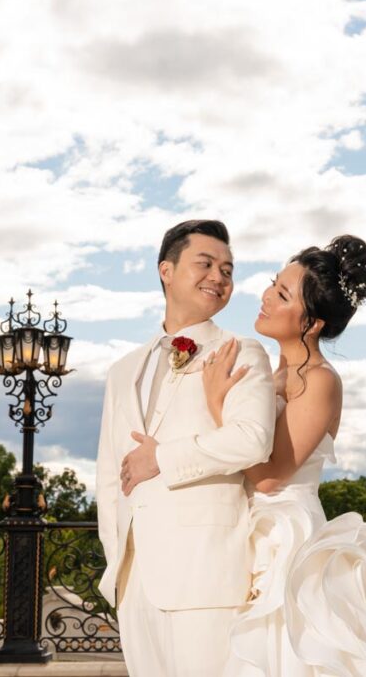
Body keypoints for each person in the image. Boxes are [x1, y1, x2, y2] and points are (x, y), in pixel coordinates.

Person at [202, 235, 366, 676]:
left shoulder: (320, 380)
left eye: (283, 294)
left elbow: (272, 477)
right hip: (249, 528)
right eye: (274, 284)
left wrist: (218, 407)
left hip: (290, 543)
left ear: (311, 323)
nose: (267, 296)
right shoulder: (274, 373)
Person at [95, 219, 276, 676]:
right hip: (135, 584)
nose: (219, 277)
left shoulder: (241, 351)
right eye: (206, 263)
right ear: (166, 271)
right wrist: (116, 563)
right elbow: (108, 476)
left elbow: (253, 439)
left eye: (228, 269)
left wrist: (162, 457)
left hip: (206, 574)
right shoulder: (122, 371)